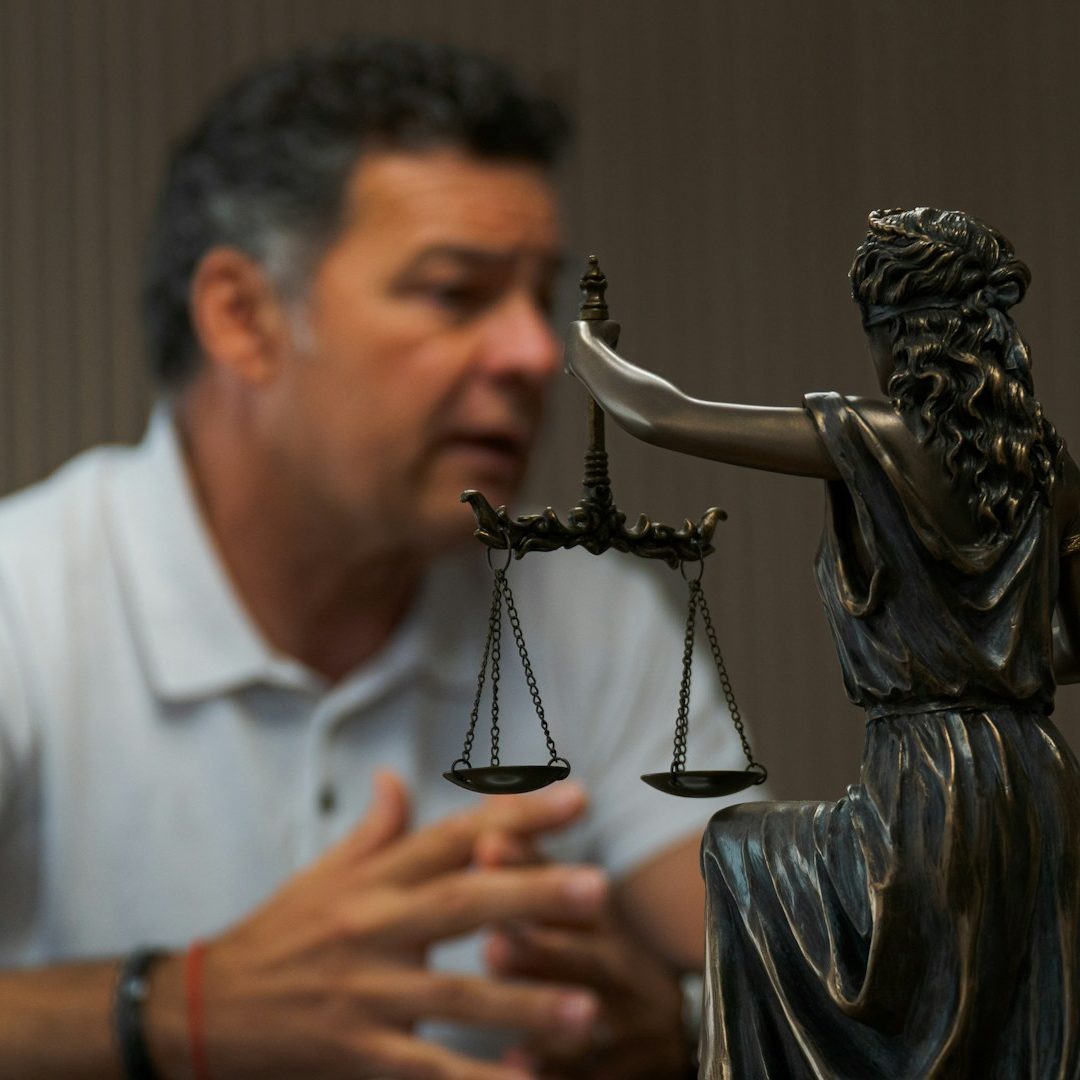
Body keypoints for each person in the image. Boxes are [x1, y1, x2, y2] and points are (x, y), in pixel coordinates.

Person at [0, 37, 761, 1080]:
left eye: (537, 298)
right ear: (243, 318)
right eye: (456, 293)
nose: (538, 354)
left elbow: (788, 981)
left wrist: (678, 1028)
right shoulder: (26, 601)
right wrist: (174, 1010)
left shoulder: (590, 617)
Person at [566, 207, 1080, 1077]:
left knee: (739, 850)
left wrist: (587, 345)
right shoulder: (1050, 470)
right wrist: (988, 653)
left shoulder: (874, 441)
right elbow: (1070, 647)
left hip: (927, 789)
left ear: (899, 338)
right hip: (1037, 783)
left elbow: (661, 414)